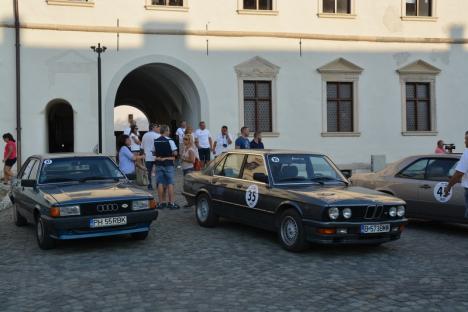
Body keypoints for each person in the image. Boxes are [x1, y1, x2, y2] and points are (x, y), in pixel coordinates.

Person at [154, 125, 178, 210]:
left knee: (160, 183)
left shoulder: (156, 141)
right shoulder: (170, 141)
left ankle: (161, 203)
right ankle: (171, 203)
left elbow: (154, 152)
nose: (169, 132)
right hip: (168, 163)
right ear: (165, 131)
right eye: (168, 131)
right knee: (170, 183)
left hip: (159, 163)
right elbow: (175, 153)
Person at [444, 131, 468, 218]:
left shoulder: (467, 153)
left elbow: (459, 173)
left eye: (466, 139)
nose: (465, 141)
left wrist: (449, 186)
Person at [141, 123, 160, 190]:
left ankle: (150, 185)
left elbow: (142, 147)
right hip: (156, 156)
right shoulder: (158, 135)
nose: (158, 128)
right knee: (158, 171)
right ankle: (158, 185)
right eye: (157, 127)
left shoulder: (144, 135)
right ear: (153, 127)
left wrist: (143, 155)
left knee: (148, 172)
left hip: (147, 156)